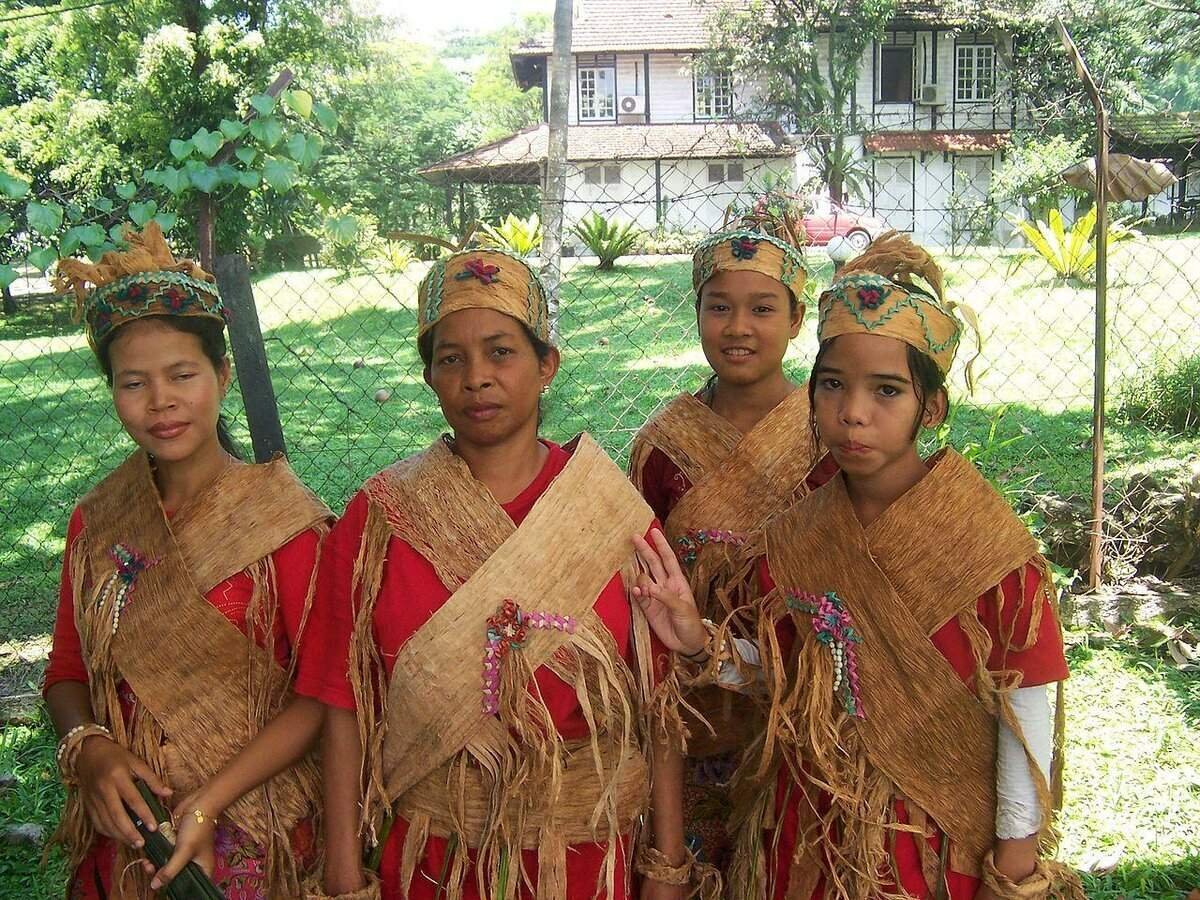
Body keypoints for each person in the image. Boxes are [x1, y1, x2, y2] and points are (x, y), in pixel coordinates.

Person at [634, 233, 1081, 900]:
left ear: (930, 408)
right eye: (834, 386)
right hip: (803, 840)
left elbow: (1026, 715)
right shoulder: (795, 538)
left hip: (931, 852)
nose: (853, 414)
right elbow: (778, 675)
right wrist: (700, 641)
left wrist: (1014, 869)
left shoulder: (989, 547)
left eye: (887, 392)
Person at [298, 248, 703, 900]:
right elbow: (341, 700)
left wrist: (667, 865)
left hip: (588, 862)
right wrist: (345, 873)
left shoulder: (609, 514)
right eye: (450, 358)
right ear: (429, 376)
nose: (476, 377)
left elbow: (658, 707)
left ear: (547, 366)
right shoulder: (380, 521)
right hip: (434, 861)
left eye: (501, 352)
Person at [43, 222, 330, 898]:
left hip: (262, 832)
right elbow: (65, 672)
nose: (161, 401)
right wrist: (91, 747)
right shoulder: (98, 522)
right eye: (133, 383)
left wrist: (207, 800)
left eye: (182, 375)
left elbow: (319, 694)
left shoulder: (284, 522)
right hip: (131, 837)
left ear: (222, 376)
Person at [627, 222, 835, 874]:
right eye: (719, 307)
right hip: (688, 711)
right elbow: (638, 581)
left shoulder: (831, 437)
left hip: (804, 699)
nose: (738, 326)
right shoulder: (663, 444)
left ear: (798, 319)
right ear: (695, 314)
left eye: (762, 308)